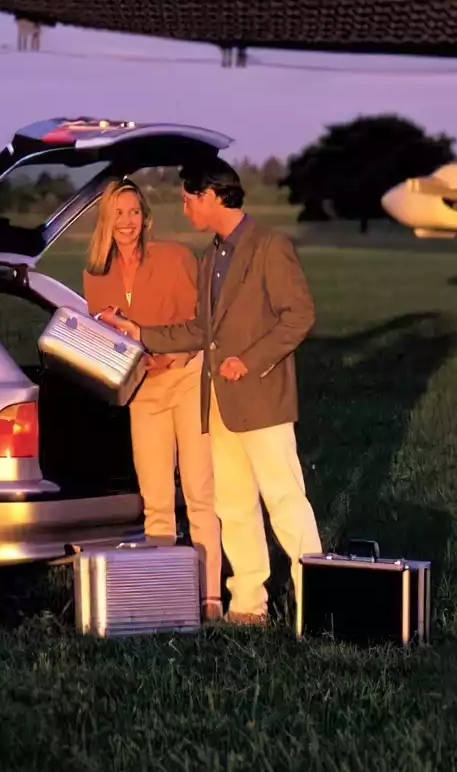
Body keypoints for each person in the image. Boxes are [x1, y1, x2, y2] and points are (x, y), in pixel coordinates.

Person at [99, 158, 320, 625]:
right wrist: (140, 333)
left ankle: (317, 602)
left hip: (261, 398)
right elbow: (200, 329)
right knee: (234, 505)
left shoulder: (270, 246)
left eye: (188, 200)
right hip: (216, 401)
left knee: (284, 501)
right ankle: (248, 603)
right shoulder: (211, 256)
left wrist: (250, 360)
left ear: (213, 196)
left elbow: (299, 316)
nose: (184, 209)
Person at [81, 178, 222, 619]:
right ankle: (168, 597)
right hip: (143, 390)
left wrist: (176, 355)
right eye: (118, 214)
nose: (127, 222)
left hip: (186, 376)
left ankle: (210, 596)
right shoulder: (94, 274)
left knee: (199, 492)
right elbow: (103, 339)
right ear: (106, 221)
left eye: (133, 212)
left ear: (145, 218)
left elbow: (199, 323)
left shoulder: (175, 257)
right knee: (156, 498)